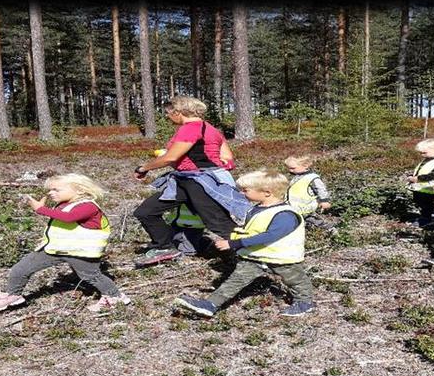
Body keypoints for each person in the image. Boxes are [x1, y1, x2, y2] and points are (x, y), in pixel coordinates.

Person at [172, 169, 317, 318]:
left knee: (296, 280)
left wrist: (235, 243)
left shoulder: (285, 214)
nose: (241, 193)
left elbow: (270, 236)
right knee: (236, 280)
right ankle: (211, 304)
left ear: (267, 192)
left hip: (282, 257)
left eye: (246, 190)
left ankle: (304, 302)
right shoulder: (258, 209)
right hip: (254, 255)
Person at [0, 174, 131, 313]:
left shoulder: (88, 206)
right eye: (50, 190)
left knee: (91, 276)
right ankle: (13, 296)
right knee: (20, 269)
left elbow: (69, 218)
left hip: (81, 252)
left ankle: (115, 297)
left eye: (56, 189)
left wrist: (41, 209)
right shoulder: (63, 204)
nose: (51, 193)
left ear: (78, 190)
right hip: (55, 249)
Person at [132, 96, 241, 266]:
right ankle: (165, 246)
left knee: (218, 223)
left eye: (169, 113)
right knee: (146, 211)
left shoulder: (190, 128)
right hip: (186, 180)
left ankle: (252, 254)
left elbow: (171, 157)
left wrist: (143, 168)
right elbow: (228, 158)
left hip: (199, 183)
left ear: (178, 112)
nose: (168, 117)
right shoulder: (211, 129)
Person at [406, 138, 434, 228]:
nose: (422, 155)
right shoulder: (427, 159)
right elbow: (421, 170)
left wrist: (418, 178)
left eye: (424, 152)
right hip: (421, 187)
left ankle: (426, 219)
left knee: (426, 204)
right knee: (419, 201)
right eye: (421, 153)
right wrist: (413, 176)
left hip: (432, 188)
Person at [283, 155, 335, 230]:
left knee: (316, 221)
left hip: (306, 208)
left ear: (305, 166)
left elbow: (321, 189)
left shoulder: (312, 178)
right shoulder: (296, 177)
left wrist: (324, 201)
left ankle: (331, 230)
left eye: (293, 168)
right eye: (288, 168)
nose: (290, 170)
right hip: (294, 207)